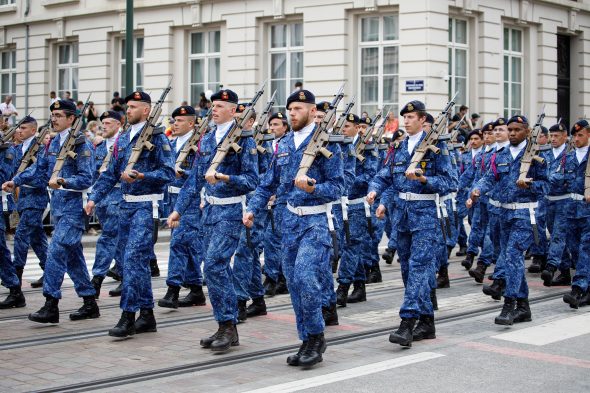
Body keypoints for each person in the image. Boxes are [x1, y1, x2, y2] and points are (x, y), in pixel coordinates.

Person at [244, 89, 344, 368]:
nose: (292, 113)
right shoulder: (284, 143)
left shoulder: (328, 144)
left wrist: (314, 187)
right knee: (294, 283)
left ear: (313, 111)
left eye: (299, 108)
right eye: (290, 109)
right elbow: (267, 183)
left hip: (315, 223)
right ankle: (306, 338)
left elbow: (338, 187)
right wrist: (253, 208)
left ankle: (316, 336)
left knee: (305, 277)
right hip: (288, 222)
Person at [168, 89, 258, 352]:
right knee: (214, 268)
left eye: (220, 106)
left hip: (231, 212)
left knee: (216, 265)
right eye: (212, 105)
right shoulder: (207, 140)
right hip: (210, 213)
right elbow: (195, 179)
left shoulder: (244, 140)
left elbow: (253, 180)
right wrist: (178, 210)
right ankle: (224, 325)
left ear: (234, 110)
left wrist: (226, 178)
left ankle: (229, 326)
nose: (214, 109)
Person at [86, 91, 175, 337]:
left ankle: (128, 315)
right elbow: (111, 173)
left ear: (146, 110)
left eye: (134, 106)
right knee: (133, 263)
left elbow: (168, 172)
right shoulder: (124, 138)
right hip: (125, 207)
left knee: (134, 260)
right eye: (128, 106)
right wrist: (94, 197)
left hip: (146, 207)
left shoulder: (157, 138)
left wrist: (143, 176)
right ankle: (147, 315)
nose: (129, 110)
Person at [368, 100, 454, 347]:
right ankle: (427, 322)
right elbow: (385, 176)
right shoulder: (398, 147)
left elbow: (451, 182)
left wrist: (425, 178)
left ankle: (407, 323)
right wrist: (376, 193)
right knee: (408, 269)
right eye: (404, 117)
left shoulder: (437, 148)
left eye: (411, 117)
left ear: (423, 120)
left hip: (426, 215)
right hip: (402, 216)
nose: (406, 121)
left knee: (418, 267)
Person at [19, 99, 99, 324]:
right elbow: (39, 170)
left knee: (55, 252)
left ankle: (51, 304)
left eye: (58, 116)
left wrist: (63, 181)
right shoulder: (54, 144)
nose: (53, 119)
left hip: (74, 209)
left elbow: (87, 178)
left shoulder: (82, 145)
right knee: (74, 257)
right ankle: (89, 301)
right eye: (52, 115)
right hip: (58, 209)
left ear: (71, 119)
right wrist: (15, 180)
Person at [469, 115, 548, 325]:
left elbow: (547, 186)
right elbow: (489, 177)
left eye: (517, 130)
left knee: (513, 255)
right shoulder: (500, 154)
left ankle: (509, 305)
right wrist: (477, 189)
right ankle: (524, 307)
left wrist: (530, 185)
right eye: (510, 129)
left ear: (527, 132)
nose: (512, 133)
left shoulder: (536, 155)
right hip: (504, 215)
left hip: (525, 215)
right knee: (511, 259)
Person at [158, 105, 206, 309]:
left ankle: (173, 289)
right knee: (189, 245)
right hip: (171, 198)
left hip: (190, 202)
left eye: (179, 121)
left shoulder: (199, 145)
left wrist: (182, 174)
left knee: (178, 243)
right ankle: (195, 289)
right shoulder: (170, 143)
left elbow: (201, 175)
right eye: (173, 120)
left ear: (191, 123)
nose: (174, 124)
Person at [1, 116, 49, 290]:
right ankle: (49, 270)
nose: (19, 131)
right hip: (19, 199)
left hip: (35, 199)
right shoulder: (16, 149)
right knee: (37, 239)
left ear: (33, 130)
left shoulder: (41, 150)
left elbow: (43, 177)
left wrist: (19, 181)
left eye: (24, 128)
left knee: (21, 235)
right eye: (19, 128)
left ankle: (16, 275)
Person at [88, 111, 125, 298]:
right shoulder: (100, 146)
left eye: (109, 123)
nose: (104, 126)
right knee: (117, 240)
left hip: (119, 196)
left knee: (108, 237)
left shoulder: (125, 143)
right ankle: (125, 276)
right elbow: (94, 173)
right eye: (103, 123)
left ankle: (97, 279)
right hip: (102, 199)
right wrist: (93, 197)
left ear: (119, 124)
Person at [560, 120, 590, 308]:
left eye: (580, 135)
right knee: (574, 248)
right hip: (571, 210)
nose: (576, 139)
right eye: (574, 135)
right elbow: (558, 178)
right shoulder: (568, 157)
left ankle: (578, 288)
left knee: (586, 249)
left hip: (588, 211)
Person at [261, 112, 289, 297]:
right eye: (271, 124)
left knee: (278, 239)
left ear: (285, 127)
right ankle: (275, 277)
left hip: (283, 200)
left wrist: (276, 193)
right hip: (266, 197)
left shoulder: (288, 144)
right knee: (269, 239)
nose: (272, 128)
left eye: (276, 124)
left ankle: (277, 278)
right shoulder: (265, 145)